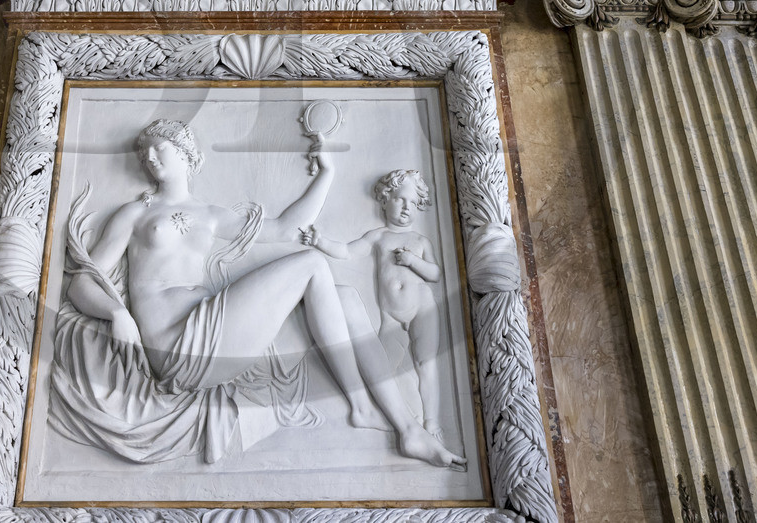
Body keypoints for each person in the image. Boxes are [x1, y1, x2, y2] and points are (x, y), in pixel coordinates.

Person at [51, 119, 464, 469]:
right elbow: (82, 282)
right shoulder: (135, 212)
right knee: (311, 265)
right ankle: (364, 408)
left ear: (186, 152)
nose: (151, 159)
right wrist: (116, 314)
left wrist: (327, 175)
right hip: (176, 343)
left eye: (160, 149)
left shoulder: (211, 215)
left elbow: (285, 228)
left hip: (214, 330)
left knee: (347, 299)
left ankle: (402, 426)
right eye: (145, 155)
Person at [301, 170, 446, 437]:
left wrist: (413, 261)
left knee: (427, 364)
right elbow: (346, 250)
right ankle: (395, 415)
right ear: (385, 198)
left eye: (413, 204)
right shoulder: (378, 237)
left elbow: (435, 274)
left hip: (422, 308)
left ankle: (432, 422)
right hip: (390, 314)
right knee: (380, 368)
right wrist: (320, 241)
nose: (406, 207)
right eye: (401, 200)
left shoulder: (419, 241)